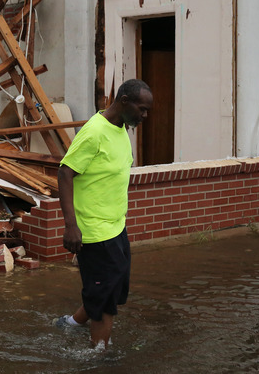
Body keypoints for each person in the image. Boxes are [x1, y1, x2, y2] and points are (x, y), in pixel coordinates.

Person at [55, 78, 153, 350]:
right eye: (141, 110)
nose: (144, 116)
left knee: (114, 287)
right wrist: (70, 225)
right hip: (94, 232)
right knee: (105, 298)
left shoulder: (121, 128)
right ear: (124, 101)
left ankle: (71, 324)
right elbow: (65, 172)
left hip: (116, 228)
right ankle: (99, 353)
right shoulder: (94, 132)